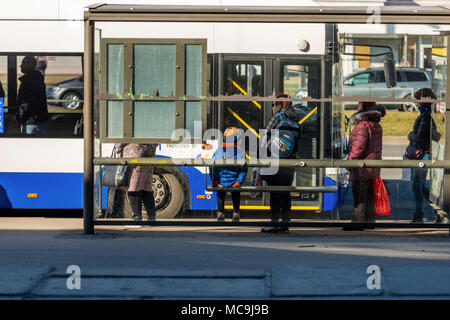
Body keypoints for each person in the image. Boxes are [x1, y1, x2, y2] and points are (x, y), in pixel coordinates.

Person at [261, 93, 301, 233]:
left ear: (279, 105)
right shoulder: (296, 120)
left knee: (275, 192)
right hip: (290, 162)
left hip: (275, 161)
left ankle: (274, 222)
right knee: (285, 193)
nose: (272, 107)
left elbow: (264, 136)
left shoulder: (276, 117)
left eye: (274, 104)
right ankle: (285, 223)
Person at [344, 101, 385, 231]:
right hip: (372, 166)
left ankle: (357, 222)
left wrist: (349, 161)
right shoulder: (376, 124)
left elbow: (358, 147)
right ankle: (369, 221)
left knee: (360, 194)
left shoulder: (363, 125)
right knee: (368, 195)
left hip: (362, 166)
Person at [409, 88, 440, 223]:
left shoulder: (425, 117)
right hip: (425, 154)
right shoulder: (426, 116)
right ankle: (431, 210)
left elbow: (421, 138)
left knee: (417, 185)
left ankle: (422, 213)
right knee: (419, 186)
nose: (416, 104)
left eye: (418, 102)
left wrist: (410, 136)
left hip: (423, 156)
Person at [211, 127, 247, 222]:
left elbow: (213, 167)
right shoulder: (241, 153)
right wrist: (238, 182)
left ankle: (220, 213)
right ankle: (235, 213)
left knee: (220, 194)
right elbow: (244, 170)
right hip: (234, 182)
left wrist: (215, 181)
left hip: (221, 182)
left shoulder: (218, 152)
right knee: (236, 193)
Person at [115, 143, 158, 221]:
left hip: (134, 153)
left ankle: (137, 216)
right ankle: (151, 216)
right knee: (146, 186)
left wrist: (118, 148)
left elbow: (121, 140)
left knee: (133, 186)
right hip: (149, 153)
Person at [15, 55, 48, 135]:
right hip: (41, 120)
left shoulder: (27, 82)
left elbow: (25, 103)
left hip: (30, 122)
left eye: (23, 63)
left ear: (30, 65)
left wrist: (19, 119)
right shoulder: (39, 79)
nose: (20, 65)